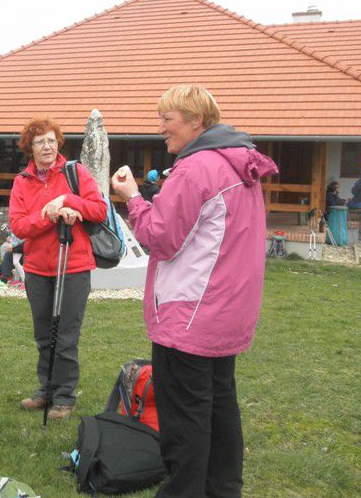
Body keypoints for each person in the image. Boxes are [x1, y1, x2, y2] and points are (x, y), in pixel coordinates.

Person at [111, 84, 277, 498]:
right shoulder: (239, 164)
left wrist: (132, 199)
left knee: (185, 420)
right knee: (220, 410)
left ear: (196, 121)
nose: (161, 127)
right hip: (227, 312)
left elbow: (160, 238)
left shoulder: (196, 168)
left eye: (168, 118)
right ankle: (223, 489)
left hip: (190, 316)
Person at [9, 118, 107, 420]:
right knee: (43, 334)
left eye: (51, 140)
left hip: (73, 266)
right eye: (40, 142)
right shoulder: (21, 182)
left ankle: (64, 396)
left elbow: (100, 209)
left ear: (58, 143)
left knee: (65, 336)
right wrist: (48, 216)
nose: (47, 146)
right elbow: (18, 225)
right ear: (31, 148)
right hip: (38, 268)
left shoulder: (75, 173)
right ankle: (46, 390)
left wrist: (67, 200)